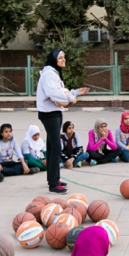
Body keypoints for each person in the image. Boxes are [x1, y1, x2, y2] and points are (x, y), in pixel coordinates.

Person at [36, 49, 90, 194]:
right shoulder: (48, 74)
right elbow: (54, 93)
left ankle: (53, 178)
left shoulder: (54, 73)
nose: (63, 59)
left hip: (54, 113)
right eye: (60, 57)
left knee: (51, 146)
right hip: (50, 114)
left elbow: (62, 91)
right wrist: (71, 98)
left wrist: (76, 92)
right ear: (54, 59)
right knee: (56, 148)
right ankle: (53, 184)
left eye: (64, 57)